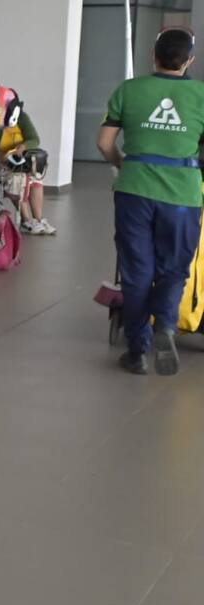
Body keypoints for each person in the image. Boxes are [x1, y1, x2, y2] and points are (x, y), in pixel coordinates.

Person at [98, 28, 204, 376]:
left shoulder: (129, 89)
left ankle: (137, 351)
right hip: (182, 194)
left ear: (153, 55)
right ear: (189, 60)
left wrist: (122, 163)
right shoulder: (201, 94)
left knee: (136, 270)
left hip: (134, 189)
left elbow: (104, 143)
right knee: (175, 268)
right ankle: (166, 326)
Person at [0, 110, 54, 234]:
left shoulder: (21, 116)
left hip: (20, 160)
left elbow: (34, 139)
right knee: (19, 179)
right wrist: (2, 156)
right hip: (0, 163)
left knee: (36, 177)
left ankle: (38, 219)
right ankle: (26, 220)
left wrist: (23, 147)